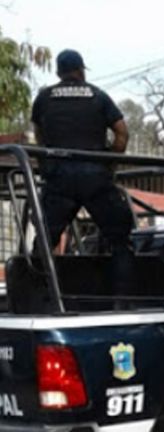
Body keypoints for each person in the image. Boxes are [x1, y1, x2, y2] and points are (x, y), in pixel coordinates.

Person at [30, 49, 135, 303]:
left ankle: (35, 298)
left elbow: (38, 135)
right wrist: (109, 162)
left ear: (58, 72)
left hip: (59, 176)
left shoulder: (44, 98)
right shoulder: (98, 96)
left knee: (44, 241)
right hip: (95, 174)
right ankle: (124, 301)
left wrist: (48, 163)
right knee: (120, 239)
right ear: (81, 71)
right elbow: (122, 133)